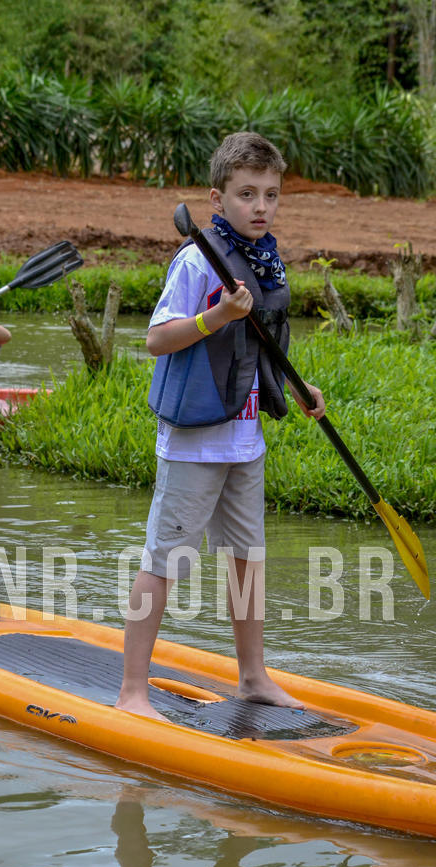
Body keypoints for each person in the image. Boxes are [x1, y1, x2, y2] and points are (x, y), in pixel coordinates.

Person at [116, 131, 326, 721]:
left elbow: (259, 351)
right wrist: (214, 316)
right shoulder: (194, 259)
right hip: (193, 444)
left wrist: (297, 387)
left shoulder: (264, 258)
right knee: (165, 562)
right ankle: (133, 690)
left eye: (271, 195)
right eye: (246, 194)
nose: (261, 207)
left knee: (247, 560)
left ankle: (254, 678)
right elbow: (157, 339)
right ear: (218, 197)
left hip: (245, 440)